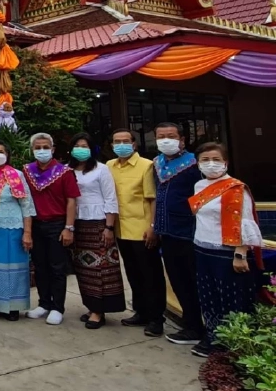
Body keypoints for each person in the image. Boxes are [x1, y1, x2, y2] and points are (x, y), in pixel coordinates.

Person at [188, 142, 263, 357]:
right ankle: (213, 337)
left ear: (226, 163)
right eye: (205, 160)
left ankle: (236, 344)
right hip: (202, 248)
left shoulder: (236, 188)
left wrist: (240, 254)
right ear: (198, 164)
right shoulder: (199, 186)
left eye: (216, 160)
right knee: (208, 296)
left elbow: (245, 221)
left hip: (227, 252)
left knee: (232, 298)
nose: (211, 164)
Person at [152, 121, 205, 347]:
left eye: (171, 135)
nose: (166, 140)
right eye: (161, 136)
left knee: (192, 281)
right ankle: (190, 324)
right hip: (167, 232)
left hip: (189, 233)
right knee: (177, 280)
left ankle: (197, 326)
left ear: (182, 139)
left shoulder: (195, 164)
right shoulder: (158, 164)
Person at [107, 128, 165, 337]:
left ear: (134, 144)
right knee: (133, 273)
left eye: (125, 141)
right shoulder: (110, 166)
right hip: (121, 230)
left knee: (151, 276)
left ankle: (156, 318)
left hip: (142, 230)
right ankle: (140, 312)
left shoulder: (147, 166)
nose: (121, 144)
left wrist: (152, 227)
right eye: (116, 141)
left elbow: (152, 199)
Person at [68, 133, 124, 329]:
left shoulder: (102, 169)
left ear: (92, 149)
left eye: (84, 145)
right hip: (78, 223)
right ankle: (91, 306)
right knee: (84, 269)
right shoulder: (69, 170)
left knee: (101, 268)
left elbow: (110, 198)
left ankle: (99, 311)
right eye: (77, 145)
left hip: (99, 222)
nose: (80, 149)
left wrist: (109, 227)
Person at [23, 133, 80, 326]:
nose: (41, 151)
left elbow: (71, 201)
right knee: (40, 266)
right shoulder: (27, 171)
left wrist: (69, 227)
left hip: (57, 224)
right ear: (32, 150)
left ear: (53, 149)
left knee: (57, 267)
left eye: (45, 147)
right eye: (37, 147)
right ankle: (43, 303)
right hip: (35, 224)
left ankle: (58, 307)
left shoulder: (64, 172)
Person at [0, 140, 35, 321]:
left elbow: (27, 204)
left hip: (13, 226)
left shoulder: (16, 174)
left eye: (2, 151)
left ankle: (14, 307)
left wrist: (27, 232)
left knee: (14, 267)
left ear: (7, 154)